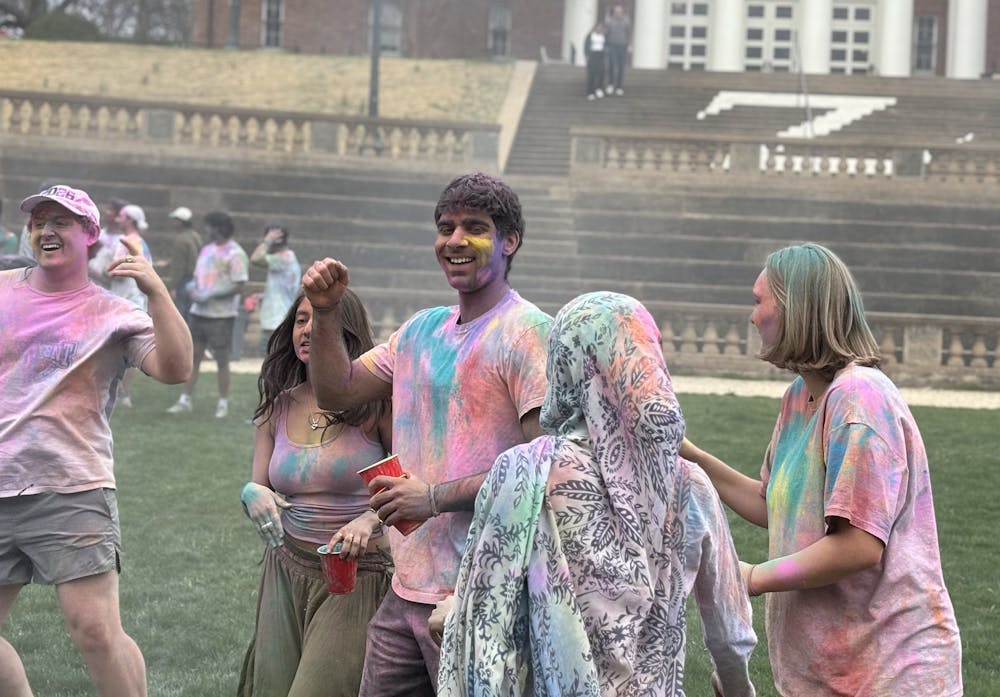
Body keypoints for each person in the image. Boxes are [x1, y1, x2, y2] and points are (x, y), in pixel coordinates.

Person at [302, 171, 552, 696]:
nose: (455, 241)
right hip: (406, 588)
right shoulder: (419, 331)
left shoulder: (528, 333)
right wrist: (325, 315)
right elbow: (337, 391)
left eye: (474, 228)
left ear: (510, 241)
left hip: (483, 592)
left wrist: (433, 497)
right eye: (445, 227)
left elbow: (544, 469)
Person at [436, 291, 756, 696]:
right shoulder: (690, 486)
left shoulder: (525, 473)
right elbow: (730, 634)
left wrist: (451, 616)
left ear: (563, 365)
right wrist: (736, 687)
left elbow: (487, 618)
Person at [682, 243, 963, 696]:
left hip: (889, 669)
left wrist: (751, 577)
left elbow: (858, 546)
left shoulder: (860, 400)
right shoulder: (800, 396)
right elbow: (773, 503)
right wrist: (692, 457)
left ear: (798, 308)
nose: (752, 317)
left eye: (759, 302)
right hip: (829, 670)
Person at [0, 184, 193, 697]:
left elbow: (175, 368)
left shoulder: (113, 313)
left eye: (61, 222)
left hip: (71, 486)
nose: (46, 230)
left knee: (94, 630)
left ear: (90, 236)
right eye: (39, 220)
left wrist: (157, 291)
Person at [237, 288, 393, 697]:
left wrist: (370, 517)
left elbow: (409, 480)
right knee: (273, 687)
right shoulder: (277, 406)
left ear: (348, 332)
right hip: (285, 569)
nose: (307, 330)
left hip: (354, 576)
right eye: (301, 320)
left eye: (321, 320)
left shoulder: (376, 406)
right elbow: (261, 484)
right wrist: (251, 492)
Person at [166, 210, 249, 419]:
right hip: (199, 313)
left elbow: (239, 285)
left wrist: (211, 295)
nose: (206, 230)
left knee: (222, 360)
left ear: (218, 228)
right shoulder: (206, 250)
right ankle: (184, 400)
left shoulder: (235, 253)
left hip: (221, 316)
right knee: (194, 357)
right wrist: (193, 290)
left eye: (209, 226)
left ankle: (223, 403)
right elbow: (198, 278)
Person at [250, 222, 301, 355]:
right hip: (278, 319)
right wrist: (263, 296)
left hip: (275, 321)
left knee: (270, 363)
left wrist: (267, 241)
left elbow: (255, 259)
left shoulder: (284, 258)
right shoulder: (288, 258)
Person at [165, 206, 203, 324]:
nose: (173, 223)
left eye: (175, 220)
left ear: (181, 222)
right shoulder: (196, 236)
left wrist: (173, 286)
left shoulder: (180, 240)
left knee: (180, 317)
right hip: (195, 280)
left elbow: (179, 267)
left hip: (183, 281)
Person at [604, 3, 631, 96]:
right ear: (614, 12)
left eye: (619, 11)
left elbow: (629, 33)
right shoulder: (610, 20)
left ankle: (619, 87)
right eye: (616, 11)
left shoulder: (626, 21)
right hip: (612, 46)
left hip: (623, 46)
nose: (618, 13)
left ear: (622, 12)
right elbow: (606, 32)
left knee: (621, 67)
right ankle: (610, 84)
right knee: (611, 65)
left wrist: (629, 45)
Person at [583, 22, 607, 100]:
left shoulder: (604, 36)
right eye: (598, 27)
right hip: (592, 55)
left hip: (601, 55)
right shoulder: (590, 36)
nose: (599, 29)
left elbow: (606, 45)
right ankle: (590, 92)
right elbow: (586, 46)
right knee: (591, 74)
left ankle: (598, 88)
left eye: (601, 27)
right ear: (595, 28)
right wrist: (587, 55)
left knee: (601, 72)